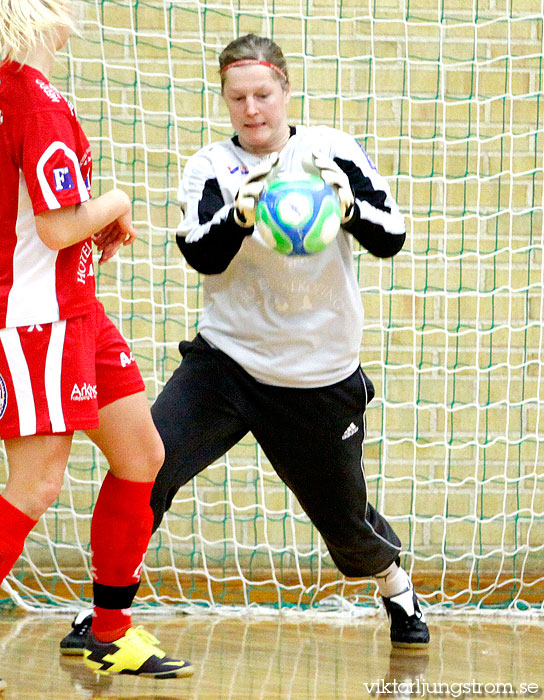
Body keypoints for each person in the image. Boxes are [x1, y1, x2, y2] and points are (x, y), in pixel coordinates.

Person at [60, 33, 430, 654]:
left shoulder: (329, 152)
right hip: (225, 365)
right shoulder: (211, 166)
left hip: (317, 375)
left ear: (285, 91)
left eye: (263, 94)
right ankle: (106, 613)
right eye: (238, 98)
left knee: (346, 526)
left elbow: (390, 235)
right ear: (225, 100)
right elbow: (201, 254)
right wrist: (240, 215)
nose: (252, 109)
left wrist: (348, 209)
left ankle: (397, 589)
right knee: (146, 468)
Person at [0, 0, 193, 684]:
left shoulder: (28, 91)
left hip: (75, 310)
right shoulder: (31, 95)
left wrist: (87, 232)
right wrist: (114, 202)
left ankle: (109, 631)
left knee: (142, 454)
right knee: (38, 483)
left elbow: (42, 226)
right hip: (37, 320)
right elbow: (55, 229)